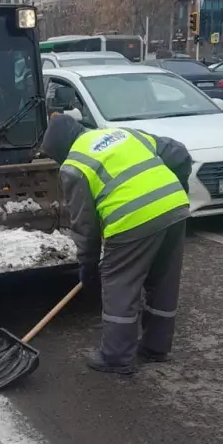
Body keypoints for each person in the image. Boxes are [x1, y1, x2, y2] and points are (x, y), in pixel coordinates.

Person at [41, 114, 192, 375]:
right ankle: (156, 347)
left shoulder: (73, 165)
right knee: (163, 279)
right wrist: (178, 190)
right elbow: (179, 153)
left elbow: (84, 227)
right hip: (174, 206)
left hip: (131, 220)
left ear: (61, 149)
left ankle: (116, 357)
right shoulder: (123, 134)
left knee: (119, 284)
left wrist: (89, 267)